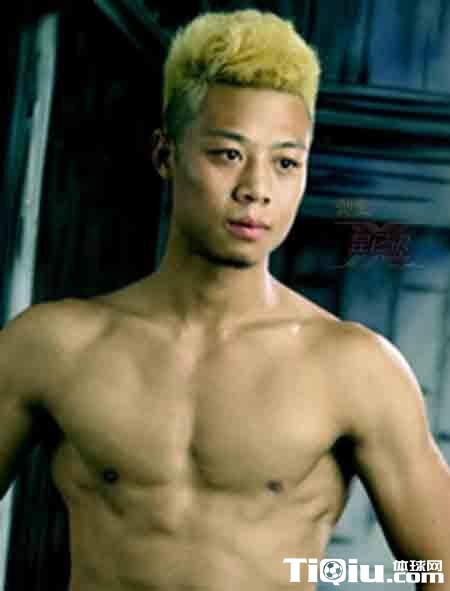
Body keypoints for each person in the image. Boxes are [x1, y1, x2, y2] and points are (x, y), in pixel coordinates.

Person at [0, 8, 449, 591]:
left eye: (285, 163)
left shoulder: (354, 368)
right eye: (228, 154)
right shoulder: (53, 347)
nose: (256, 190)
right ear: (166, 155)